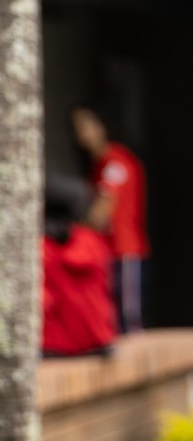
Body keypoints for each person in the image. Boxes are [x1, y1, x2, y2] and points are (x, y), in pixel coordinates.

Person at [72, 105, 149, 334]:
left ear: (102, 125)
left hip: (125, 252)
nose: (82, 134)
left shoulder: (117, 161)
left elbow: (101, 211)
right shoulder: (98, 165)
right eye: (77, 128)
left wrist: (76, 229)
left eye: (86, 126)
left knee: (128, 322)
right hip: (105, 253)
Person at [43, 177, 118, 358]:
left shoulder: (44, 251)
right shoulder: (94, 243)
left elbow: (44, 301)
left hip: (57, 347)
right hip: (98, 342)